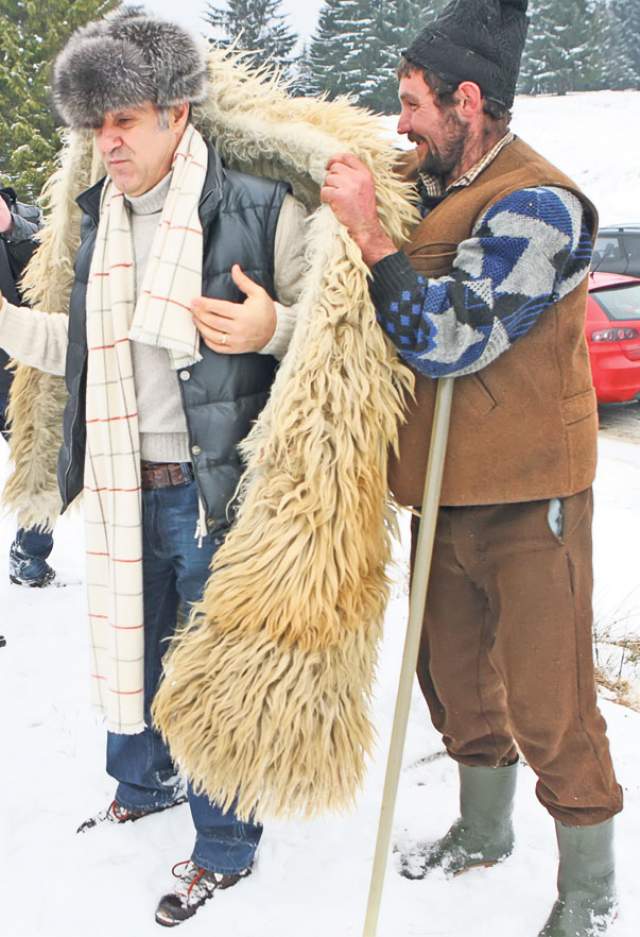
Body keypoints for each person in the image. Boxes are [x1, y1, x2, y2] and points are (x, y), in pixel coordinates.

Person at [0, 8, 307, 927]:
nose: (108, 141)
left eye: (124, 119)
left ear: (177, 114)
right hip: (125, 481)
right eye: (96, 124)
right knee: (131, 641)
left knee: (213, 676)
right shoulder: (101, 221)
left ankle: (225, 845)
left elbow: (339, 344)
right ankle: (141, 784)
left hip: (216, 493)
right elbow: (90, 347)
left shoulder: (256, 204)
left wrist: (273, 327)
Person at [320, 1, 622, 935]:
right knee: (453, 681)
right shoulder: (437, 179)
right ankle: (483, 832)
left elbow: (454, 337)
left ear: (468, 99)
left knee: (552, 701)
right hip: (443, 495)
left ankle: (589, 892)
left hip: (533, 501)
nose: (399, 123)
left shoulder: (540, 203)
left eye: (411, 104)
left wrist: (375, 238)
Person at [0, 187, 56, 588]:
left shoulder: (24, 217)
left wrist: (9, 227)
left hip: (15, 371)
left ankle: (30, 552)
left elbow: (51, 274)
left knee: (40, 464)